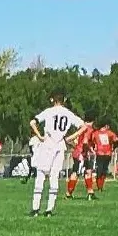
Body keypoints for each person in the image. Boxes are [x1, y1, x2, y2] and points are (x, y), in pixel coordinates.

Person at [29, 90, 83, 218]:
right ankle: (49, 210)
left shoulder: (48, 111)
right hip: (60, 145)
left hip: (48, 144)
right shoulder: (68, 113)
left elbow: (32, 122)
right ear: (63, 100)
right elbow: (84, 126)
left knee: (41, 175)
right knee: (54, 176)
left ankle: (36, 208)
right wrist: (71, 137)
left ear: (52, 99)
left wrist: (39, 136)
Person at [91, 120, 118, 195]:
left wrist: (93, 147)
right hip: (108, 153)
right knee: (104, 169)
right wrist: (113, 148)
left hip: (99, 153)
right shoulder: (110, 133)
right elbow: (115, 140)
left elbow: (91, 141)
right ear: (105, 126)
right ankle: (101, 186)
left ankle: (99, 186)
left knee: (99, 169)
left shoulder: (95, 133)